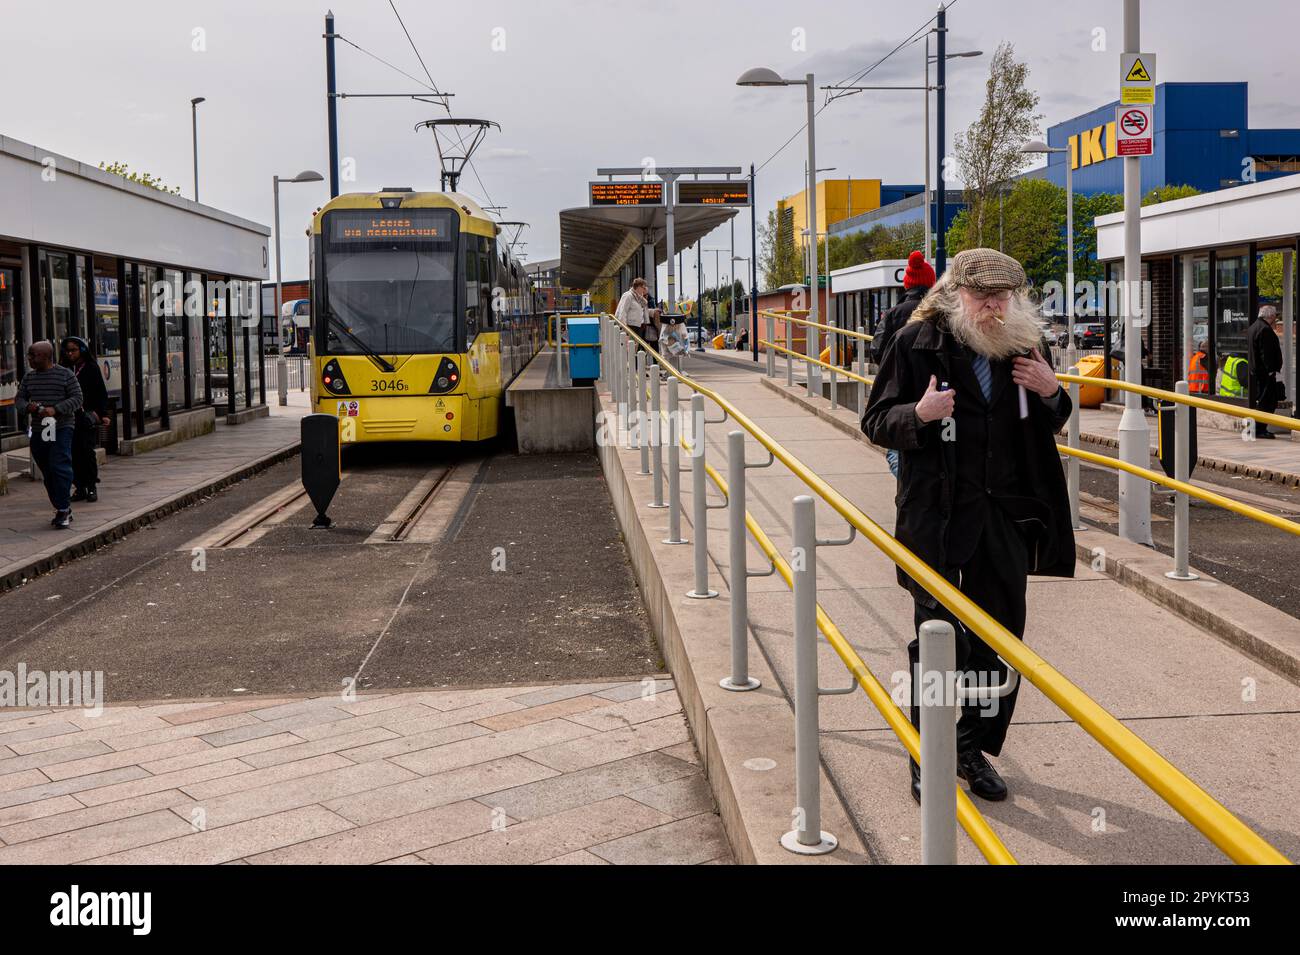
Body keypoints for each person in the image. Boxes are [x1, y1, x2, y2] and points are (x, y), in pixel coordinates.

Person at [862, 248, 1075, 805]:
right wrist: (920, 416)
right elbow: (876, 420)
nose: (993, 308)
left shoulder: (1027, 347)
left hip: (1003, 520)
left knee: (998, 646)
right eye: (983, 297)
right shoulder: (916, 344)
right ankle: (925, 752)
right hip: (937, 518)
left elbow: (1053, 420)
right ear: (957, 295)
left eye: (1003, 297)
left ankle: (967, 746)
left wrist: (1053, 391)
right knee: (938, 643)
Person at [869, 250, 936, 479]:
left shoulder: (892, 314)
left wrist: (892, 370)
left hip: (900, 390)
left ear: (906, 285)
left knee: (898, 445)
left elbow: (876, 350)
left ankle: (906, 483)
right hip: (936, 389)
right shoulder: (939, 314)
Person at [17, 340, 83, 529]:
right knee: (47, 469)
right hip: (40, 428)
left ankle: (63, 509)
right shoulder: (29, 378)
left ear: (45, 356)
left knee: (59, 465)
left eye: (33, 355)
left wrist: (56, 409)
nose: (29, 358)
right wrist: (28, 407)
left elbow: (78, 398)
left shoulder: (65, 375)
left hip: (61, 426)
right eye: (29, 354)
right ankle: (61, 506)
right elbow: (19, 399)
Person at [62, 336, 110, 501]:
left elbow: (101, 392)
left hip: (86, 416)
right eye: (67, 350)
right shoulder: (64, 368)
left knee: (87, 452)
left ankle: (91, 486)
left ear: (81, 350)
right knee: (72, 453)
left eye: (73, 350)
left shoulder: (90, 367)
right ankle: (79, 487)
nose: (70, 354)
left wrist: (102, 414)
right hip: (68, 417)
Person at [1246, 305, 1285, 438]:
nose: (1276, 320)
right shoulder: (1265, 329)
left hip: (1256, 372)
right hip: (1264, 374)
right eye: (1275, 317)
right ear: (1271, 316)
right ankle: (1260, 429)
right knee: (1267, 402)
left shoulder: (1253, 327)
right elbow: (1266, 353)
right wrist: (1270, 371)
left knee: (1260, 402)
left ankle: (1254, 429)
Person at [615, 277, 652, 349]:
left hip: (638, 327)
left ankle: (635, 360)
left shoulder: (639, 298)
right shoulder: (628, 295)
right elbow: (623, 311)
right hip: (630, 327)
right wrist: (624, 328)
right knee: (631, 348)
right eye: (643, 288)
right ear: (638, 287)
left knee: (637, 348)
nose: (644, 290)